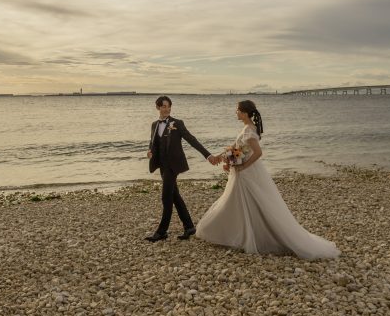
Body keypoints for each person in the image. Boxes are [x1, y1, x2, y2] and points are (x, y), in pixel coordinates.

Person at [196, 100, 340, 259]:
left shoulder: (250, 132)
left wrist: (243, 167)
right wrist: (226, 159)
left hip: (247, 173)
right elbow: (238, 148)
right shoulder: (247, 128)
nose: (235, 112)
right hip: (242, 172)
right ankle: (240, 233)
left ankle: (236, 233)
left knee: (248, 202)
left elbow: (257, 153)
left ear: (244, 113)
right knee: (240, 201)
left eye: (237, 110)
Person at [145, 95, 220, 242]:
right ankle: (189, 227)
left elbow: (192, 140)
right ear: (158, 108)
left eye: (168, 106)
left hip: (173, 165)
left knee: (166, 197)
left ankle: (161, 232)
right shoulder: (154, 124)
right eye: (163, 106)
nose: (166, 109)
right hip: (162, 165)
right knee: (175, 196)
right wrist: (149, 151)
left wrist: (208, 155)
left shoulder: (177, 123)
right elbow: (153, 142)